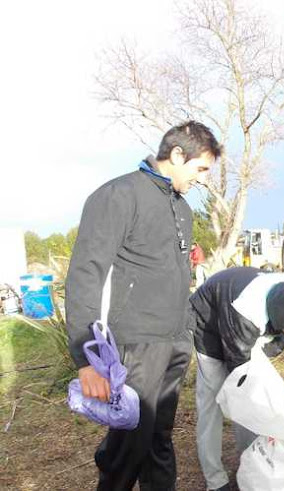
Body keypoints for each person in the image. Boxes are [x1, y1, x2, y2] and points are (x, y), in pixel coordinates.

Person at [65, 121, 221, 490]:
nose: (203, 179)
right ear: (177, 155)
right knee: (127, 447)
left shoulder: (182, 208)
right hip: (137, 344)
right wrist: (86, 359)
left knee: (159, 441)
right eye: (201, 169)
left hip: (175, 341)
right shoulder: (119, 195)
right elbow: (86, 274)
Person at [189, 267, 284, 491]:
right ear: (281, 317)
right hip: (208, 323)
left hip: (240, 326)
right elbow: (239, 369)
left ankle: (252, 463)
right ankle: (215, 480)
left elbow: (274, 345)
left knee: (249, 400)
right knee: (212, 402)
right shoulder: (246, 308)